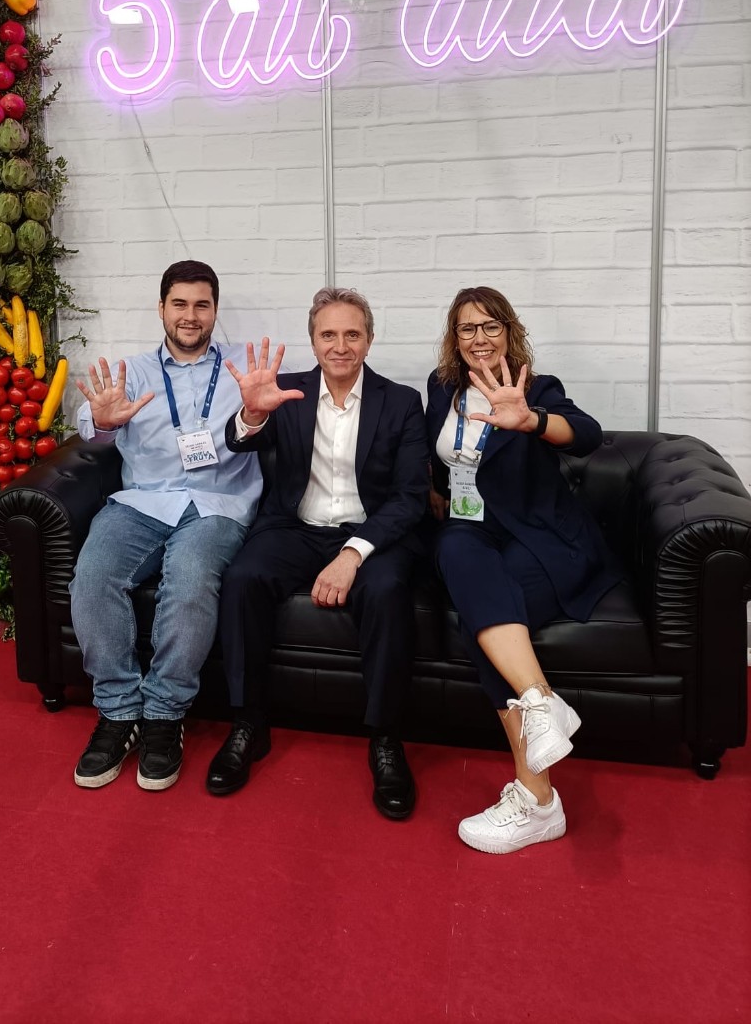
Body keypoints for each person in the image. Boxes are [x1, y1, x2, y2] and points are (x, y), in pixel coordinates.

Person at [206, 287, 430, 820]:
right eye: (329, 334)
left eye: (352, 334)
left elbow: (410, 497)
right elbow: (240, 443)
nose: (340, 345)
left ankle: (385, 737)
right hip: (295, 527)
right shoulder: (287, 391)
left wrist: (353, 553)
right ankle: (248, 722)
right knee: (243, 578)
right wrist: (252, 414)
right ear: (313, 341)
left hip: (371, 533)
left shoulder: (401, 402)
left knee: (388, 589)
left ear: (369, 340)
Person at [426, 285, 620, 854]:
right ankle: (541, 705)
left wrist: (531, 419)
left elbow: (587, 435)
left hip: (541, 537)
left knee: (482, 621)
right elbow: (441, 465)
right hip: (474, 529)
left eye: (491, 326)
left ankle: (538, 800)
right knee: (453, 547)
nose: (479, 338)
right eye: (467, 328)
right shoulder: (441, 388)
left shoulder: (537, 387)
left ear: (509, 332)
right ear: (454, 338)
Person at [70, 260, 262, 793]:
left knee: (191, 578)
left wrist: (257, 414)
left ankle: (163, 714)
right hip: (142, 502)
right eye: (179, 303)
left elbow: (263, 419)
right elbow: (91, 426)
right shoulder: (131, 372)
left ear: (215, 311)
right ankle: (118, 712)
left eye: (202, 304)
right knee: (93, 575)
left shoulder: (243, 368)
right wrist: (102, 421)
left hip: (218, 504)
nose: (190, 315)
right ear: (161, 308)